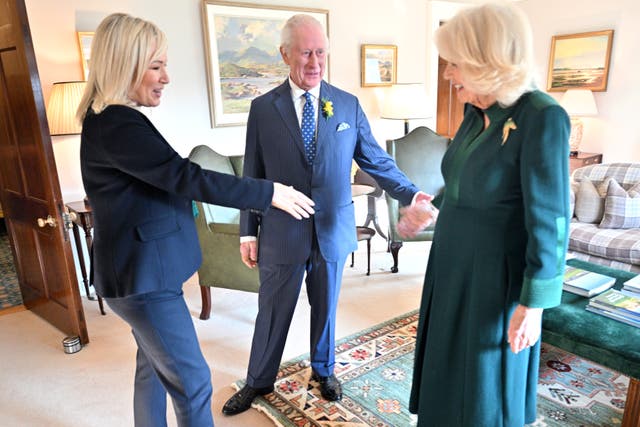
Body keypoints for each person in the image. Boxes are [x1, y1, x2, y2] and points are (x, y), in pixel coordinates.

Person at [77, 13, 314, 427]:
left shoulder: (115, 120)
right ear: (123, 65)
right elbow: (185, 177)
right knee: (194, 383)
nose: (166, 77)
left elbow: (164, 179)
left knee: (152, 369)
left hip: (147, 275)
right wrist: (269, 192)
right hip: (144, 281)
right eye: (156, 65)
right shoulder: (116, 124)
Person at [222, 14, 434, 416]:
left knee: (327, 308)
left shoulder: (348, 105)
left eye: (321, 52)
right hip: (282, 232)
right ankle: (258, 380)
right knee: (272, 311)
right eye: (305, 52)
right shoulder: (263, 109)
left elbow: (377, 160)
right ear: (285, 54)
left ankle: (324, 369)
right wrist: (248, 232)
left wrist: (409, 193)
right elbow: (253, 173)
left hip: (333, 230)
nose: (315, 62)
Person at [398, 3, 571, 426]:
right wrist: (430, 209)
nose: (447, 74)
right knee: (447, 370)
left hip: (494, 277)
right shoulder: (477, 114)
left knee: (484, 388)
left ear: (485, 63)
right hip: (451, 265)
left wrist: (533, 305)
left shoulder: (542, 117)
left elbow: (550, 220)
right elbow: (466, 183)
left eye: (454, 64)